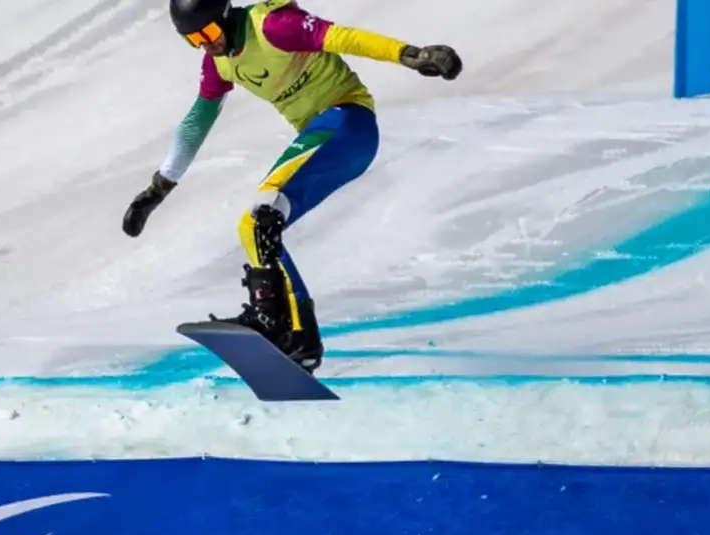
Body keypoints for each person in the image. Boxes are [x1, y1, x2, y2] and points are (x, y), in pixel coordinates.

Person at [122, 0, 462, 373]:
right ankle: (293, 334)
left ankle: (280, 325)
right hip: (329, 139)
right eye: (193, 40)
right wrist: (160, 187)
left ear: (224, 16)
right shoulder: (218, 62)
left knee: (264, 215)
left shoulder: (271, 25)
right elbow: (197, 120)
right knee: (253, 226)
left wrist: (409, 55)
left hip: (346, 122)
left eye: (209, 33)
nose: (206, 44)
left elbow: (343, 38)